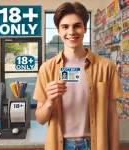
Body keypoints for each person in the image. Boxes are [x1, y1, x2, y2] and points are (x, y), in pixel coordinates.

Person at [33, 2, 123, 150]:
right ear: (58, 31)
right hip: (61, 145)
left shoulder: (106, 67)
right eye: (65, 27)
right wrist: (49, 101)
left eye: (77, 25)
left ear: (85, 28)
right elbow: (40, 119)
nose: (71, 31)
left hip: (95, 145)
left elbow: (112, 116)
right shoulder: (47, 69)